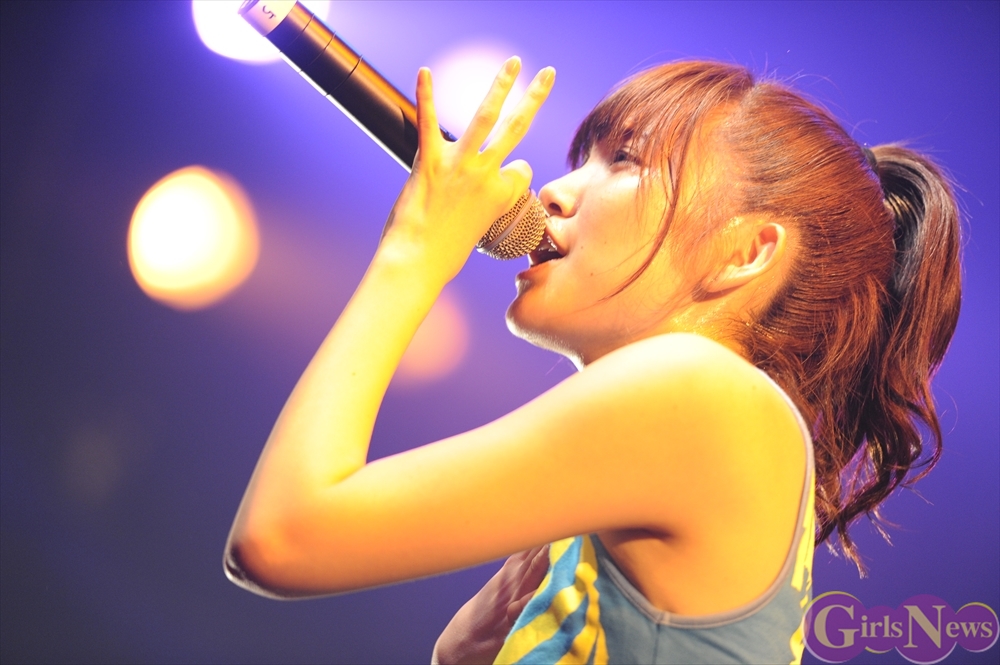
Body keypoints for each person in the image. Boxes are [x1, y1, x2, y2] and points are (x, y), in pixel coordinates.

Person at [223, 57, 962, 664]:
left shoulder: (701, 391)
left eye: (625, 159)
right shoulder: (695, 430)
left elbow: (281, 540)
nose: (554, 190)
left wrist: (413, 249)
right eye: (585, 159)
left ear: (745, 251)